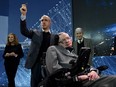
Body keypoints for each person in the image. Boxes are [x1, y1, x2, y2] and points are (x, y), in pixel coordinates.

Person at [45, 32, 116, 87]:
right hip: (75, 81)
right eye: (63, 40)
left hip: (88, 76)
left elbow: (86, 65)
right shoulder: (53, 49)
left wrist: (93, 71)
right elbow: (54, 70)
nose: (67, 41)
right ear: (57, 43)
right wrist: (77, 77)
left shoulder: (73, 53)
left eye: (68, 38)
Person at [20, 4, 56, 87]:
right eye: (42, 20)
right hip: (36, 64)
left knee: (48, 84)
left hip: (49, 64)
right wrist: (23, 15)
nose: (43, 22)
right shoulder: (35, 33)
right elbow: (23, 31)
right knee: (35, 84)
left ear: (50, 22)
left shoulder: (55, 37)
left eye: (45, 20)